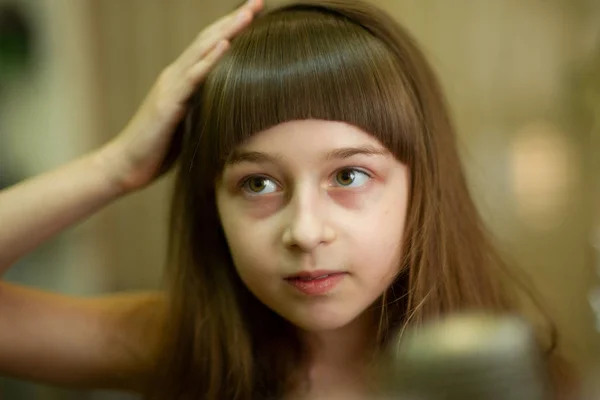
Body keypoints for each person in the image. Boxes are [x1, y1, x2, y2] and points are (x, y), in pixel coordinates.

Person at [0, 0, 575, 399]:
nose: (304, 231)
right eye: (258, 183)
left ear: (422, 188)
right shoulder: (183, 345)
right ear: (213, 206)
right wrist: (115, 167)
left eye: (348, 177)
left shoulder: (499, 373)